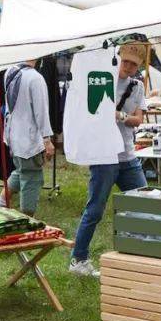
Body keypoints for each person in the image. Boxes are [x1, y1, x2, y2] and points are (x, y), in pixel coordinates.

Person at [68, 43, 149, 278]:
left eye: (133, 64)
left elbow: (138, 120)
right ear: (118, 58)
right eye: (125, 61)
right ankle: (78, 259)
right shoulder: (103, 79)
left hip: (127, 155)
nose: (128, 67)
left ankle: (138, 252)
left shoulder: (137, 86)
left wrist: (119, 116)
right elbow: (88, 112)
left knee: (144, 203)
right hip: (104, 155)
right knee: (95, 209)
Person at [0, 59, 54, 217]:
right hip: (29, 139)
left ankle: (0, 204)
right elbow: (41, 112)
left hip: (13, 135)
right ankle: (27, 220)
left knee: (21, 171)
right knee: (31, 178)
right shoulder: (35, 78)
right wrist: (47, 140)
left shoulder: (10, 71)